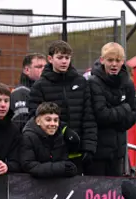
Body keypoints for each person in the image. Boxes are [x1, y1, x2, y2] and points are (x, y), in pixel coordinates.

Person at [28, 40, 97, 174]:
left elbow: (89, 116)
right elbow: (35, 117)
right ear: (50, 59)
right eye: (60, 57)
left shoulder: (81, 82)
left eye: (67, 58)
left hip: (78, 151)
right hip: (52, 151)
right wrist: (64, 130)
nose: (64, 61)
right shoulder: (40, 86)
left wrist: (89, 146)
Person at [88, 42, 136, 176]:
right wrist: (124, 109)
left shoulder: (127, 83)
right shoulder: (93, 82)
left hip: (118, 151)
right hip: (98, 152)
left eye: (118, 60)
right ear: (102, 60)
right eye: (110, 60)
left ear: (123, 61)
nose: (114, 64)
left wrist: (119, 121)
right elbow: (101, 115)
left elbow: (135, 112)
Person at [20, 103, 80, 178]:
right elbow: (29, 166)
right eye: (48, 120)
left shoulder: (59, 134)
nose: (53, 124)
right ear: (38, 121)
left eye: (55, 120)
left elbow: (65, 162)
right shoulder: (28, 137)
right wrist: (60, 168)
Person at [10, 53, 46, 131]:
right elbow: (20, 123)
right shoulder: (21, 92)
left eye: (45, 67)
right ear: (27, 70)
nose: (44, 69)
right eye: (39, 67)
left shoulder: (41, 90)